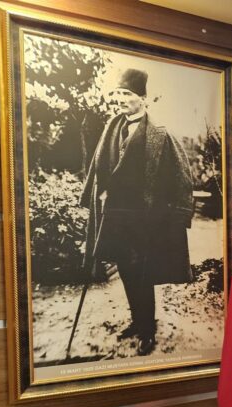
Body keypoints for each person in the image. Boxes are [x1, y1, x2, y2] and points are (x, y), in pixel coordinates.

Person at [81, 68, 194, 356]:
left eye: (127, 94)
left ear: (143, 98)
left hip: (145, 219)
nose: (120, 99)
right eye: (118, 93)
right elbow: (98, 166)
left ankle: (147, 331)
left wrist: (177, 213)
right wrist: (96, 193)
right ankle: (137, 320)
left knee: (143, 273)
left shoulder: (160, 134)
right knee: (126, 271)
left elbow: (181, 176)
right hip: (116, 216)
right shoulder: (112, 128)